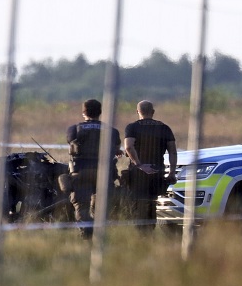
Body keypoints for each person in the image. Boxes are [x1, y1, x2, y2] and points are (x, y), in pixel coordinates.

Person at [65, 98, 121, 239]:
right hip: (104, 173)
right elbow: (116, 148)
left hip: (81, 172)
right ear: (100, 112)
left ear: (84, 112)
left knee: (81, 206)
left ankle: (86, 234)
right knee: (101, 205)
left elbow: (71, 143)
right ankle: (99, 233)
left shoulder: (74, 129)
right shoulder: (112, 131)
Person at [123, 100, 177, 231]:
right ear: (153, 112)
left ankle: (141, 235)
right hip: (157, 171)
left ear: (138, 112)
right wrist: (172, 172)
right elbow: (173, 151)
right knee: (152, 204)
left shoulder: (132, 127)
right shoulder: (164, 128)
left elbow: (129, 147)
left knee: (138, 204)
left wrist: (139, 165)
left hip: (138, 174)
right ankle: (150, 232)